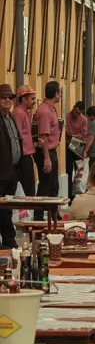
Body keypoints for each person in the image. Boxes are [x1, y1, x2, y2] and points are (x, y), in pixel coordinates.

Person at [0, 85, 20, 246]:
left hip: (12, 170)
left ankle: (8, 240)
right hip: (1, 170)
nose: (7, 100)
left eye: (10, 97)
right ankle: (8, 240)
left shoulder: (11, 117)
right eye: (3, 97)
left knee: (7, 209)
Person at [34, 81, 61, 199]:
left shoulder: (51, 109)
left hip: (51, 150)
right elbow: (43, 135)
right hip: (45, 151)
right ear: (56, 93)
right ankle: (39, 215)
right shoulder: (45, 111)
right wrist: (46, 158)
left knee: (53, 186)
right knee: (46, 186)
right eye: (60, 93)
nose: (60, 96)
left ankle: (53, 215)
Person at [12, 86, 35, 199]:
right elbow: (17, 136)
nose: (34, 101)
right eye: (32, 98)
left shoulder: (25, 112)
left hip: (26, 154)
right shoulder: (19, 113)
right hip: (22, 156)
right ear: (24, 99)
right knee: (27, 188)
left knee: (30, 187)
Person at [65, 101, 88, 200]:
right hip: (68, 145)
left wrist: (77, 136)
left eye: (79, 113)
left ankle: (80, 193)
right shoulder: (67, 116)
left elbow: (84, 133)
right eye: (76, 112)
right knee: (69, 171)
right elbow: (65, 130)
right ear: (74, 108)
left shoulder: (83, 119)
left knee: (79, 170)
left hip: (78, 146)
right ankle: (70, 194)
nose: (77, 115)